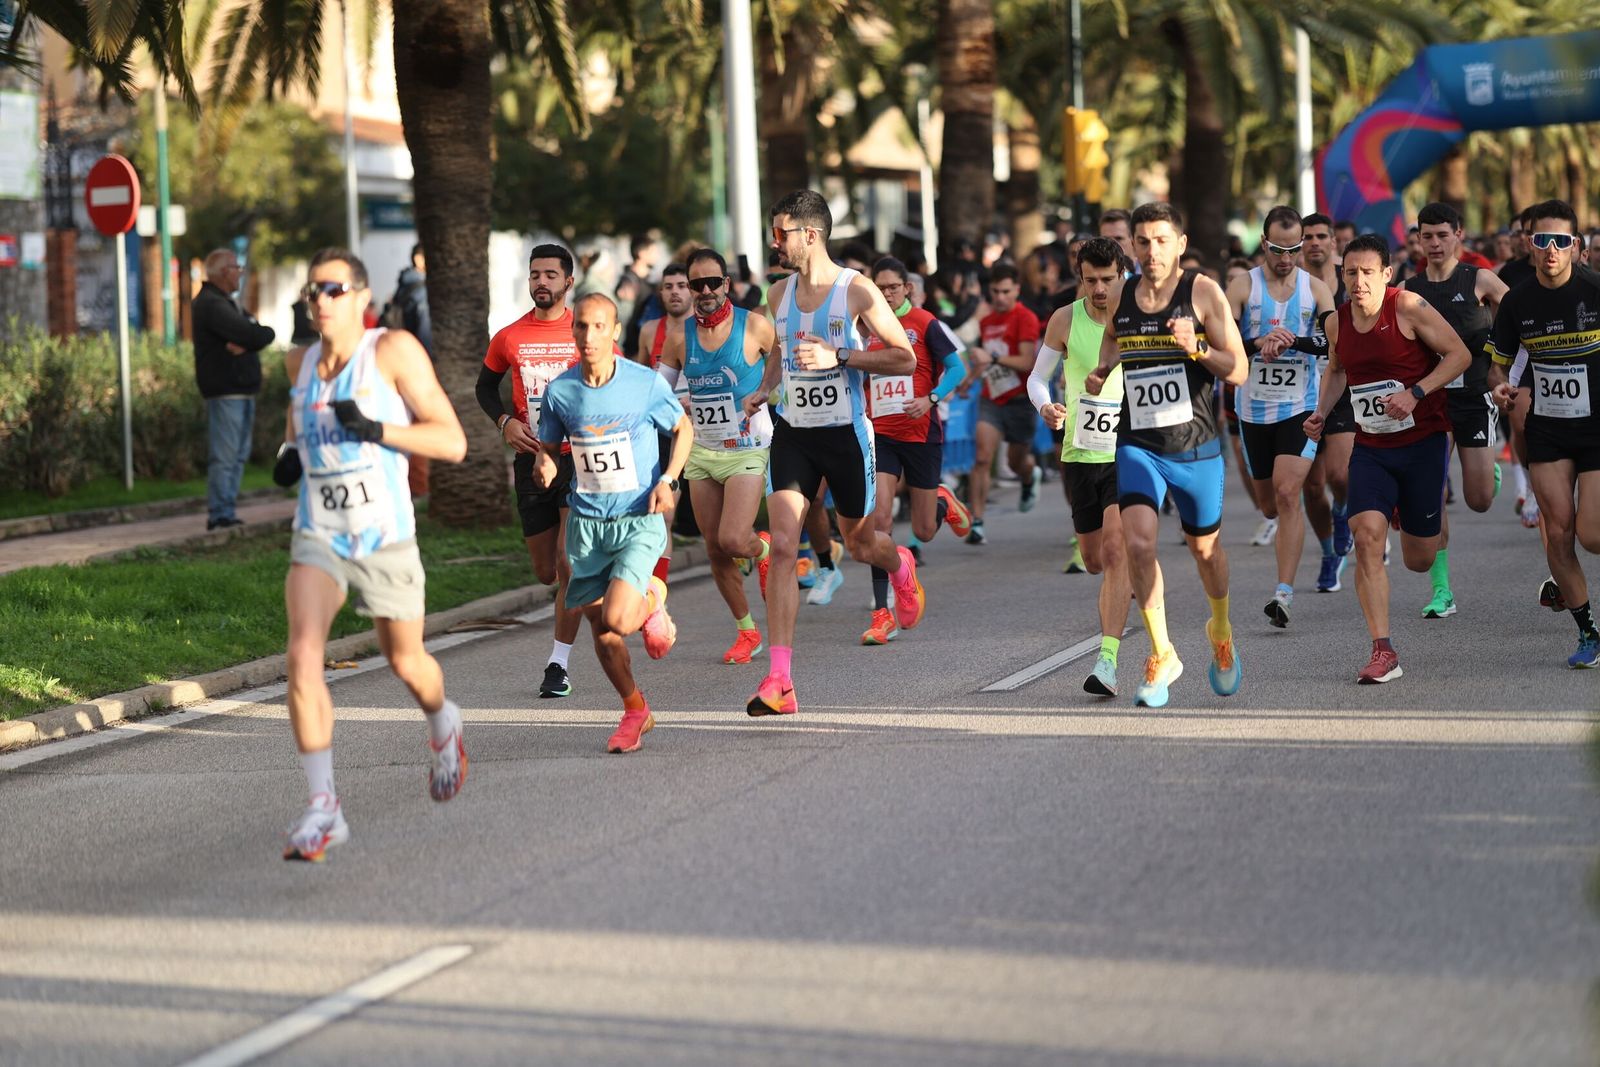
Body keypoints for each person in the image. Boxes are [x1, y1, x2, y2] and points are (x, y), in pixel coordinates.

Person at [275, 247, 468, 861]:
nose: (320, 301)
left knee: (406, 661)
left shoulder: (391, 351)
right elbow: (295, 428)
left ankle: (444, 723)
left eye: (332, 290)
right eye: (313, 292)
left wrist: (378, 430)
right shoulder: (299, 364)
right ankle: (324, 807)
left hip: (384, 533)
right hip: (321, 531)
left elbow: (453, 440)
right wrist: (287, 457)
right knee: (303, 655)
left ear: (361, 297)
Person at [745, 189, 927, 716]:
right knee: (783, 545)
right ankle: (780, 679)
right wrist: (764, 388)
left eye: (781, 232)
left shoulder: (856, 291)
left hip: (846, 436)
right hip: (794, 434)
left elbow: (904, 357)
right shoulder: (777, 295)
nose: (774, 242)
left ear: (811, 234)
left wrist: (839, 354)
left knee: (862, 541)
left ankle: (902, 564)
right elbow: (780, 353)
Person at [1085, 202, 1248, 709]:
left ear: (1179, 243)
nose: (1151, 250)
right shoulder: (1120, 295)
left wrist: (1196, 347)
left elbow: (1238, 369)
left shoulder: (1201, 293)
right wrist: (1102, 370)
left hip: (1195, 447)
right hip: (1138, 443)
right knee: (1136, 544)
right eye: (1141, 241)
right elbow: (1113, 339)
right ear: (1130, 247)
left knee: (1205, 552)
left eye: (1160, 240)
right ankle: (1162, 651)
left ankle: (1219, 629)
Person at [1303, 235, 1470, 683]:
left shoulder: (1409, 307)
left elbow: (1460, 355)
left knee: (1419, 557)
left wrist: (1416, 393)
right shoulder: (1336, 322)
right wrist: (1321, 412)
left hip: (1423, 443)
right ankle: (1383, 650)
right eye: (1351, 273)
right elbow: (1337, 370)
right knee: (1366, 538)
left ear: (1386, 274)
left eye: (1367, 272)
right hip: (1372, 448)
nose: (1358, 281)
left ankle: (1406, 513)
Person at [535, 294, 693, 752]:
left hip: (638, 517)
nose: (588, 336)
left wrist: (668, 478)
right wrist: (544, 464)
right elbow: (548, 447)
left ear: (615, 331)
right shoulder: (560, 391)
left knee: (620, 618)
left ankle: (652, 598)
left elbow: (683, 429)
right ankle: (635, 710)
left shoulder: (642, 384)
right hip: (587, 526)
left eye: (599, 327)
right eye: (581, 327)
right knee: (603, 635)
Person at [1488, 199, 1600, 668]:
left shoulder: (1595, 289)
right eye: (1541, 240)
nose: (1550, 250)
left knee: (1593, 535)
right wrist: (1501, 390)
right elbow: (1496, 367)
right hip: (1548, 430)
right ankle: (1588, 631)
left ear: (1576, 246)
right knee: (1557, 533)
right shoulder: (1517, 301)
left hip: (1597, 429)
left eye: (1560, 241)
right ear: (1529, 244)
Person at [475, 244, 586, 699]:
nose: (542, 282)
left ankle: (557, 664)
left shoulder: (586, 330)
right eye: (535, 274)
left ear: (568, 282)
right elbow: (484, 386)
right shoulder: (509, 336)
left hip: (578, 458)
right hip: (531, 460)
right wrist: (505, 421)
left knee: (568, 563)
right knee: (545, 571)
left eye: (551, 275)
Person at [657, 248, 777, 664]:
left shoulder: (754, 326)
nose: (705, 291)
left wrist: (765, 393)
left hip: (747, 449)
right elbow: (659, 395)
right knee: (714, 548)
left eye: (713, 282)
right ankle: (747, 631)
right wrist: (678, 406)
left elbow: (782, 360)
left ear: (726, 284)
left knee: (732, 538)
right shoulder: (679, 339)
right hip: (702, 453)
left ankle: (762, 549)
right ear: (689, 289)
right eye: (697, 284)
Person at [1029, 237, 1133, 695]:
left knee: (1114, 551)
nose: (1099, 289)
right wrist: (1046, 407)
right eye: (1090, 280)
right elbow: (1037, 379)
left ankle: (1106, 660)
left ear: (1121, 275)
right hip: (1080, 452)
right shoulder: (1065, 319)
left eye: (1107, 279)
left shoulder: (1137, 317)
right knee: (1094, 560)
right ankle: (1124, 585)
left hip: (1129, 451)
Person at [1227, 206, 1338, 626]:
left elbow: (1333, 343)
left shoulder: (1315, 290)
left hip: (1301, 406)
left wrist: (1294, 340)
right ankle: (1309, 552)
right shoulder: (1241, 286)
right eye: (1278, 248)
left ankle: (1283, 594)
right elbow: (1223, 344)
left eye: (1294, 248)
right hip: (1253, 411)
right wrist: (1259, 342)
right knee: (1269, 505)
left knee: (1290, 492)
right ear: (1263, 242)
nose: (1287, 257)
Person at [1403, 202, 1510, 618]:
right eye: (1426, 236)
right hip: (1429, 399)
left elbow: (1517, 313)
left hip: (1474, 398)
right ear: (1418, 238)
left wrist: (1502, 363)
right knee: (1433, 491)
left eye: (1442, 235)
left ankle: (1489, 471)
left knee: (1480, 499)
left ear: (1459, 235)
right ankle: (1442, 591)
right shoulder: (1410, 290)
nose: (1434, 243)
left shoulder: (1479, 278)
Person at [861, 256, 973, 645]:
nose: (888, 293)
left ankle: (941, 500)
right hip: (882, 436)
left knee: (924, 532)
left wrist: (931, 398)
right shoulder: (867, 327)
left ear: (907, 288)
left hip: (922, 433)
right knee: (878, 523)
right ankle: (881, 613)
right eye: (881, 287)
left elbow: (958, 369)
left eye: (894, 287)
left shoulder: (924, 323)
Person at [193, 248, 276, 531]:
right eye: (235, 267)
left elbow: (263, 333)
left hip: (241, 390)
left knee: (238, 455)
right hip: (226, 391)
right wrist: (249, 335)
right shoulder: (212, 305)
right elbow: (253, 334)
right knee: (225, 456)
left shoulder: (228, 304)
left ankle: (226, 510)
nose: (240, 271)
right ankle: (220, 515)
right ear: (220, 273)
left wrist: (250, 337)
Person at [966, 263, 1043, 542]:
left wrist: (994, 359)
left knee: (1016, 460)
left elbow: (1026, 362)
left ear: (1017, 290)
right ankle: (977, 522)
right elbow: (985, 358)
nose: (1000, 297)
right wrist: (966, 381)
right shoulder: (986, 322)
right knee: (982, 457)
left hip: (1021, 401)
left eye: (1006, 291)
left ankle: (1028, 476)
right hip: (992, 398)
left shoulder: (1026, 318)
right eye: (995, 291)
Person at [1301, 212, 1358, 561]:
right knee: (1311, 485)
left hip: (1342, 386)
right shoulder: (1291, 284)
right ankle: (1327, 554)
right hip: (1297, 391)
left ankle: (1344, 509)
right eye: (1307, 237)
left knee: (1339, 475)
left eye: (1322, 236)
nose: (1315, 243)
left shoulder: (1349, 282)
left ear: (1334, 242)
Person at [383, 243, 433, 497]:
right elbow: (425, 332)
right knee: (423, 425)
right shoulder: (421, 289)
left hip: (394, 361)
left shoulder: (403, 286)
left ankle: (409, 484)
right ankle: (419, 488)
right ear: (419, 258)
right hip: (416, 364)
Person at [634, 264, 692, 367]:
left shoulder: (706, 330)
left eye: (681, 286)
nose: (674, 291)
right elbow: (642, 377)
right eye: (668, 287)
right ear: (662, 292)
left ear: (692, 291)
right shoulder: (648, 331)